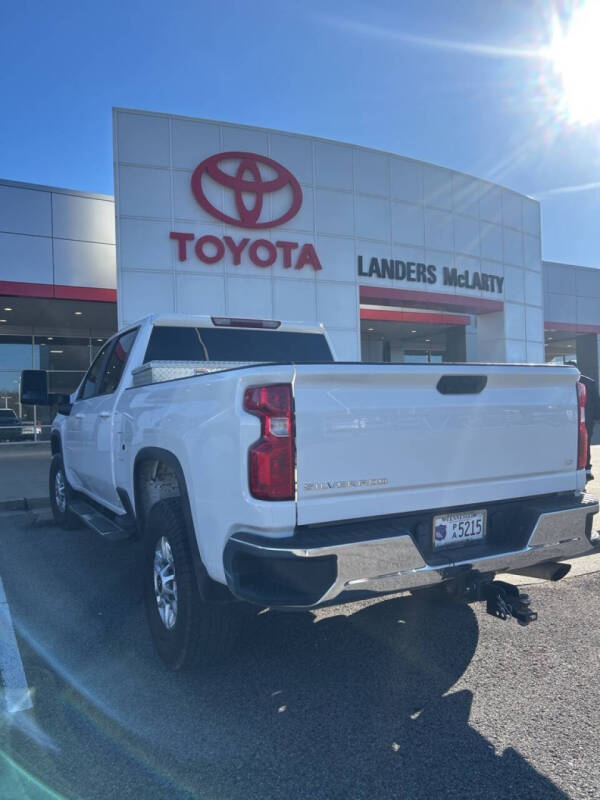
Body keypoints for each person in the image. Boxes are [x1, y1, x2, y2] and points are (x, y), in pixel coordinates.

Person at [566, 362, 600, 481]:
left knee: (577, 445)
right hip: (586, 420)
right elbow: (597, 402)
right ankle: (586, 470)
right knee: (585, 445)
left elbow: (596, 402)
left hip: (574, 421)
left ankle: (582, 469)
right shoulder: (590, 382)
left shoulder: (564, 383)